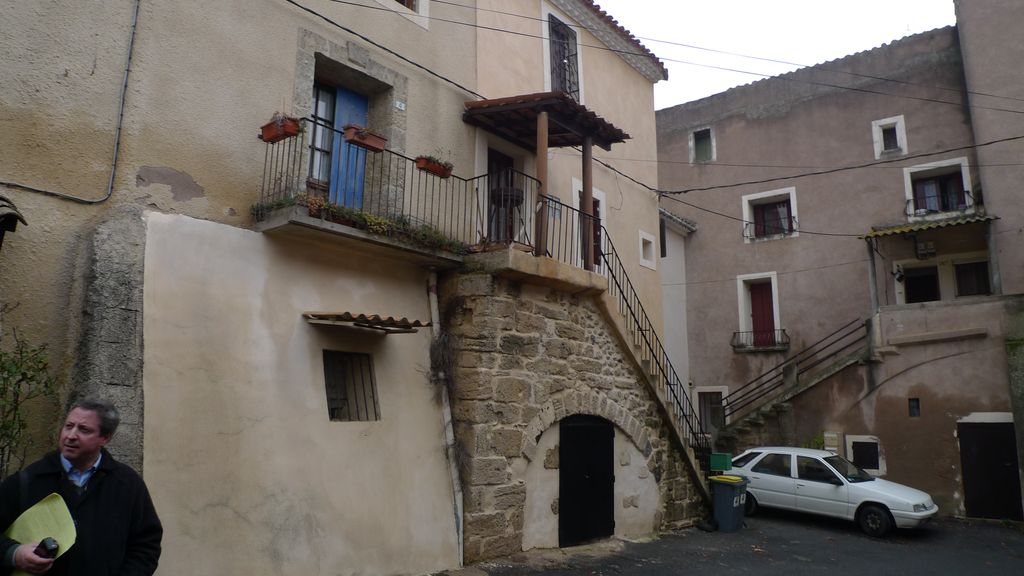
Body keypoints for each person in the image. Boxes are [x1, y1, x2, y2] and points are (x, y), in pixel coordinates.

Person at [0, 398, 162, 575]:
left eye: (84, 430)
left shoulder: (127, 484)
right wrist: (14, 554)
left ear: (105, 437)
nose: (71, 435)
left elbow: (146, 545)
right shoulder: (27, 481)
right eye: (69, 426)